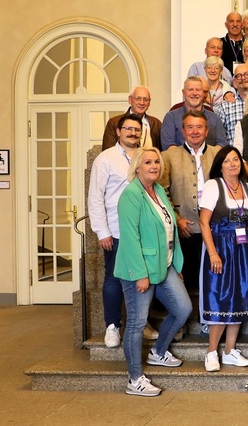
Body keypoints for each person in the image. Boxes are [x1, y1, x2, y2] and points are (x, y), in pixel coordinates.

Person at [115, 147, 191, 397]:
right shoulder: (131, 195)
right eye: (148, 162)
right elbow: (130, 238)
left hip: (164, 264)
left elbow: (170, 231)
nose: (154, 166)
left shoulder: (158, 190)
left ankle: (158, 352)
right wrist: (140, 274)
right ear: (137, 167)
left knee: (183, 309)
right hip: (140, 269)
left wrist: (176, 264)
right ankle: (134, 378)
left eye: (156, 161)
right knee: (136, 323)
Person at [198, 146, 248, 372]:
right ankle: (211, 351)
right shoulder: (213, 185)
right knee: (221, 297)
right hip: (221, 246)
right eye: (227, 161)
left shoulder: (247, 187)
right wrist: (213, 252)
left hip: (243, 249)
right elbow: (204, 222)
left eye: (236, 160)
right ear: (220, 165)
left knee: (240, 298)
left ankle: (229, 351)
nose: (232, 164)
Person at [91, 114, 151, 348]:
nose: (133, 133)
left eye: (137, 130)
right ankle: (113, 325)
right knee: (114, 279)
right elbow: (95, 197)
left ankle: (142, 323)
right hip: (116, 230)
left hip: (143, 229)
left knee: (144, 277)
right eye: (128, 129)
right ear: (118, 132)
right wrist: (101, 231)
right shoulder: (105, 159)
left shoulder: (146, 156)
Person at [159, 111, 222, 299]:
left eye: (199, 127)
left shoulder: (218, 154)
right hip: (185, 227)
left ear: (206, 130)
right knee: (186, 280)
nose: (195, 131)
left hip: (214, 226)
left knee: (214, 278)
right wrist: (177, 219)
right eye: (190, 127)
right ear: (183, 131)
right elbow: (162, 192)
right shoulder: (168, 155)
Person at [162, 77, 227, 148]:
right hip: (178, 158)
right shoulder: (171, 117)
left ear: (203, 93)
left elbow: (222, 143)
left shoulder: (215, 118)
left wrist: (208, 157)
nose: (195, 93)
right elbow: (168, 145)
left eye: (198, 90)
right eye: (190, 90)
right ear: (183, 93)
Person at [102, 86, 162, 150]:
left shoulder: (156, 123)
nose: (142, 103)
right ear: (130, 100)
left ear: (149, 102)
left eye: (145, 99)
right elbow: (108, 151)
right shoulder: (114, 122)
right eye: (138, 98)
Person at [216, 64, 248, 145]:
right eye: (238, 76)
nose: (243, 78)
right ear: (234, 82)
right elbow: (219, 138)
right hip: (234, 155)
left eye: (247, 74)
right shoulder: (225, 107)